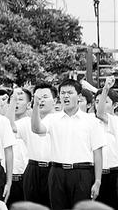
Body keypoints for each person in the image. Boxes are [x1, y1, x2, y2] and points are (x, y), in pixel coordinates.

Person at [31, 78, 105, 210]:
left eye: (70, 93)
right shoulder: (52, 118)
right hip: (57, 172)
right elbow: (37, 129)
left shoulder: (91, 121)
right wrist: (35, 106)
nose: (66, 96)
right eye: (63, 93)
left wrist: (98, 181)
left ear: (79, 96)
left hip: (82, 173)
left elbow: (97, 152)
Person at [17, 83, 54, 207]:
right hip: (33, 169)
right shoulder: (26, 122)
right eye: (37, 97)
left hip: (54, 169)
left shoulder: (60, 120)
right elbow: (8, 127)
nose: (40, 100)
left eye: (45, 97)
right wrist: (13, 101)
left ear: (55, 100)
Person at [93, 76, 118, 209]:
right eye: (96, 102)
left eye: (104, 101)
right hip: (96, 175)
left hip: (115, 175)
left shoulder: (115, 122)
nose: (99, 105)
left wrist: (106, 89)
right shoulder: (90, 122)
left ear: (115, 105)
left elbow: (101, 113)